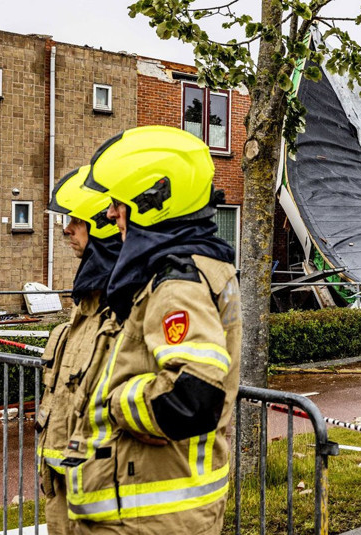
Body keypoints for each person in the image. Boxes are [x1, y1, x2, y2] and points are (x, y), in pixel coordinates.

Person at [61, 126, 241, 535]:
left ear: (152, 204)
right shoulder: (188, 270)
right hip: (146, 509)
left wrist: (116, 401)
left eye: (118, 205)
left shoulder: (178, 282)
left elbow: (192, 397)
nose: (109, 215)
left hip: (152, 515)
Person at [38, 166, 122, 534]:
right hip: (60, 490)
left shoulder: (122, 306)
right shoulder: (83, 308)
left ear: (102, 228)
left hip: (96, 502)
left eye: (77, 220)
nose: (66, 229)